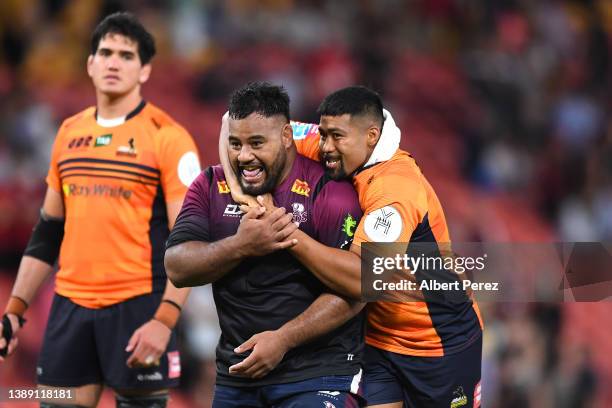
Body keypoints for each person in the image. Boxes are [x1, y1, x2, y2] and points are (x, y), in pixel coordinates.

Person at [222, 86, 484, 408]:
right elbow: (227, 124)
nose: (325, 147)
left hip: (437, 343)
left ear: (371, 136)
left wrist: (281, 227)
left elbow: (363, 280)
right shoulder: (334, 145)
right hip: (375, 340)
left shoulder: (395, 190)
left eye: (337, 137)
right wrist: (244, 193)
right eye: (324, 134)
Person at [0, 12, 201, 408]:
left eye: (126, 56)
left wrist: (165, 319)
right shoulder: (69, 134)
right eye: (105, 52)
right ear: (90, 63)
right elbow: (47, 232)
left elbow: (190, 241)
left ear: (144, 70)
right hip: (69, 307)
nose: (113, 62)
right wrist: (15, 310)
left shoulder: (169, 139)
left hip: (139, 307)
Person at [164, 82, 366, 408]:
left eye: (257, 143)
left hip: (320, 374)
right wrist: (240, 245)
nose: (244, 156)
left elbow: (360, 289)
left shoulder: (330, 190)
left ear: (287, 136)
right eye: (235, 143)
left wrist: (284, 339)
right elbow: (176, 267)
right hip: (238, 376)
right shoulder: (209, 185)